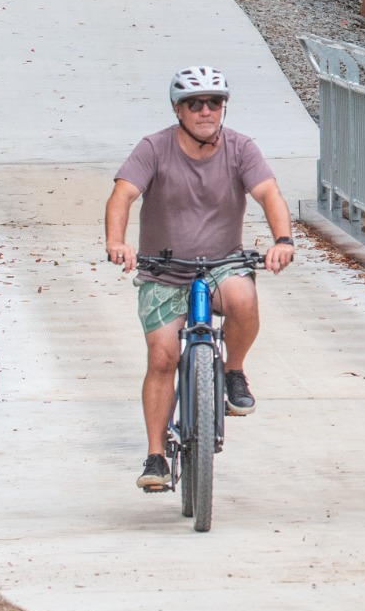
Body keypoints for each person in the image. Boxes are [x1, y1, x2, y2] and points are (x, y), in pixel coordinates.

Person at [106, 65, 296, 493]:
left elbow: (269, 193)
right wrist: (116, 242)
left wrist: (282, 239)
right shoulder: (153, 148)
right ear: (178, 109)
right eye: (195, 103)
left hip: (221, 264)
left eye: (214, 102)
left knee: (244, 299)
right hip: (163, 270)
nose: (206, 110)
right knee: (162, 359)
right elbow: (123, 193)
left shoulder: (240, 148)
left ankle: (234, 371)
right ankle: (156, 454)